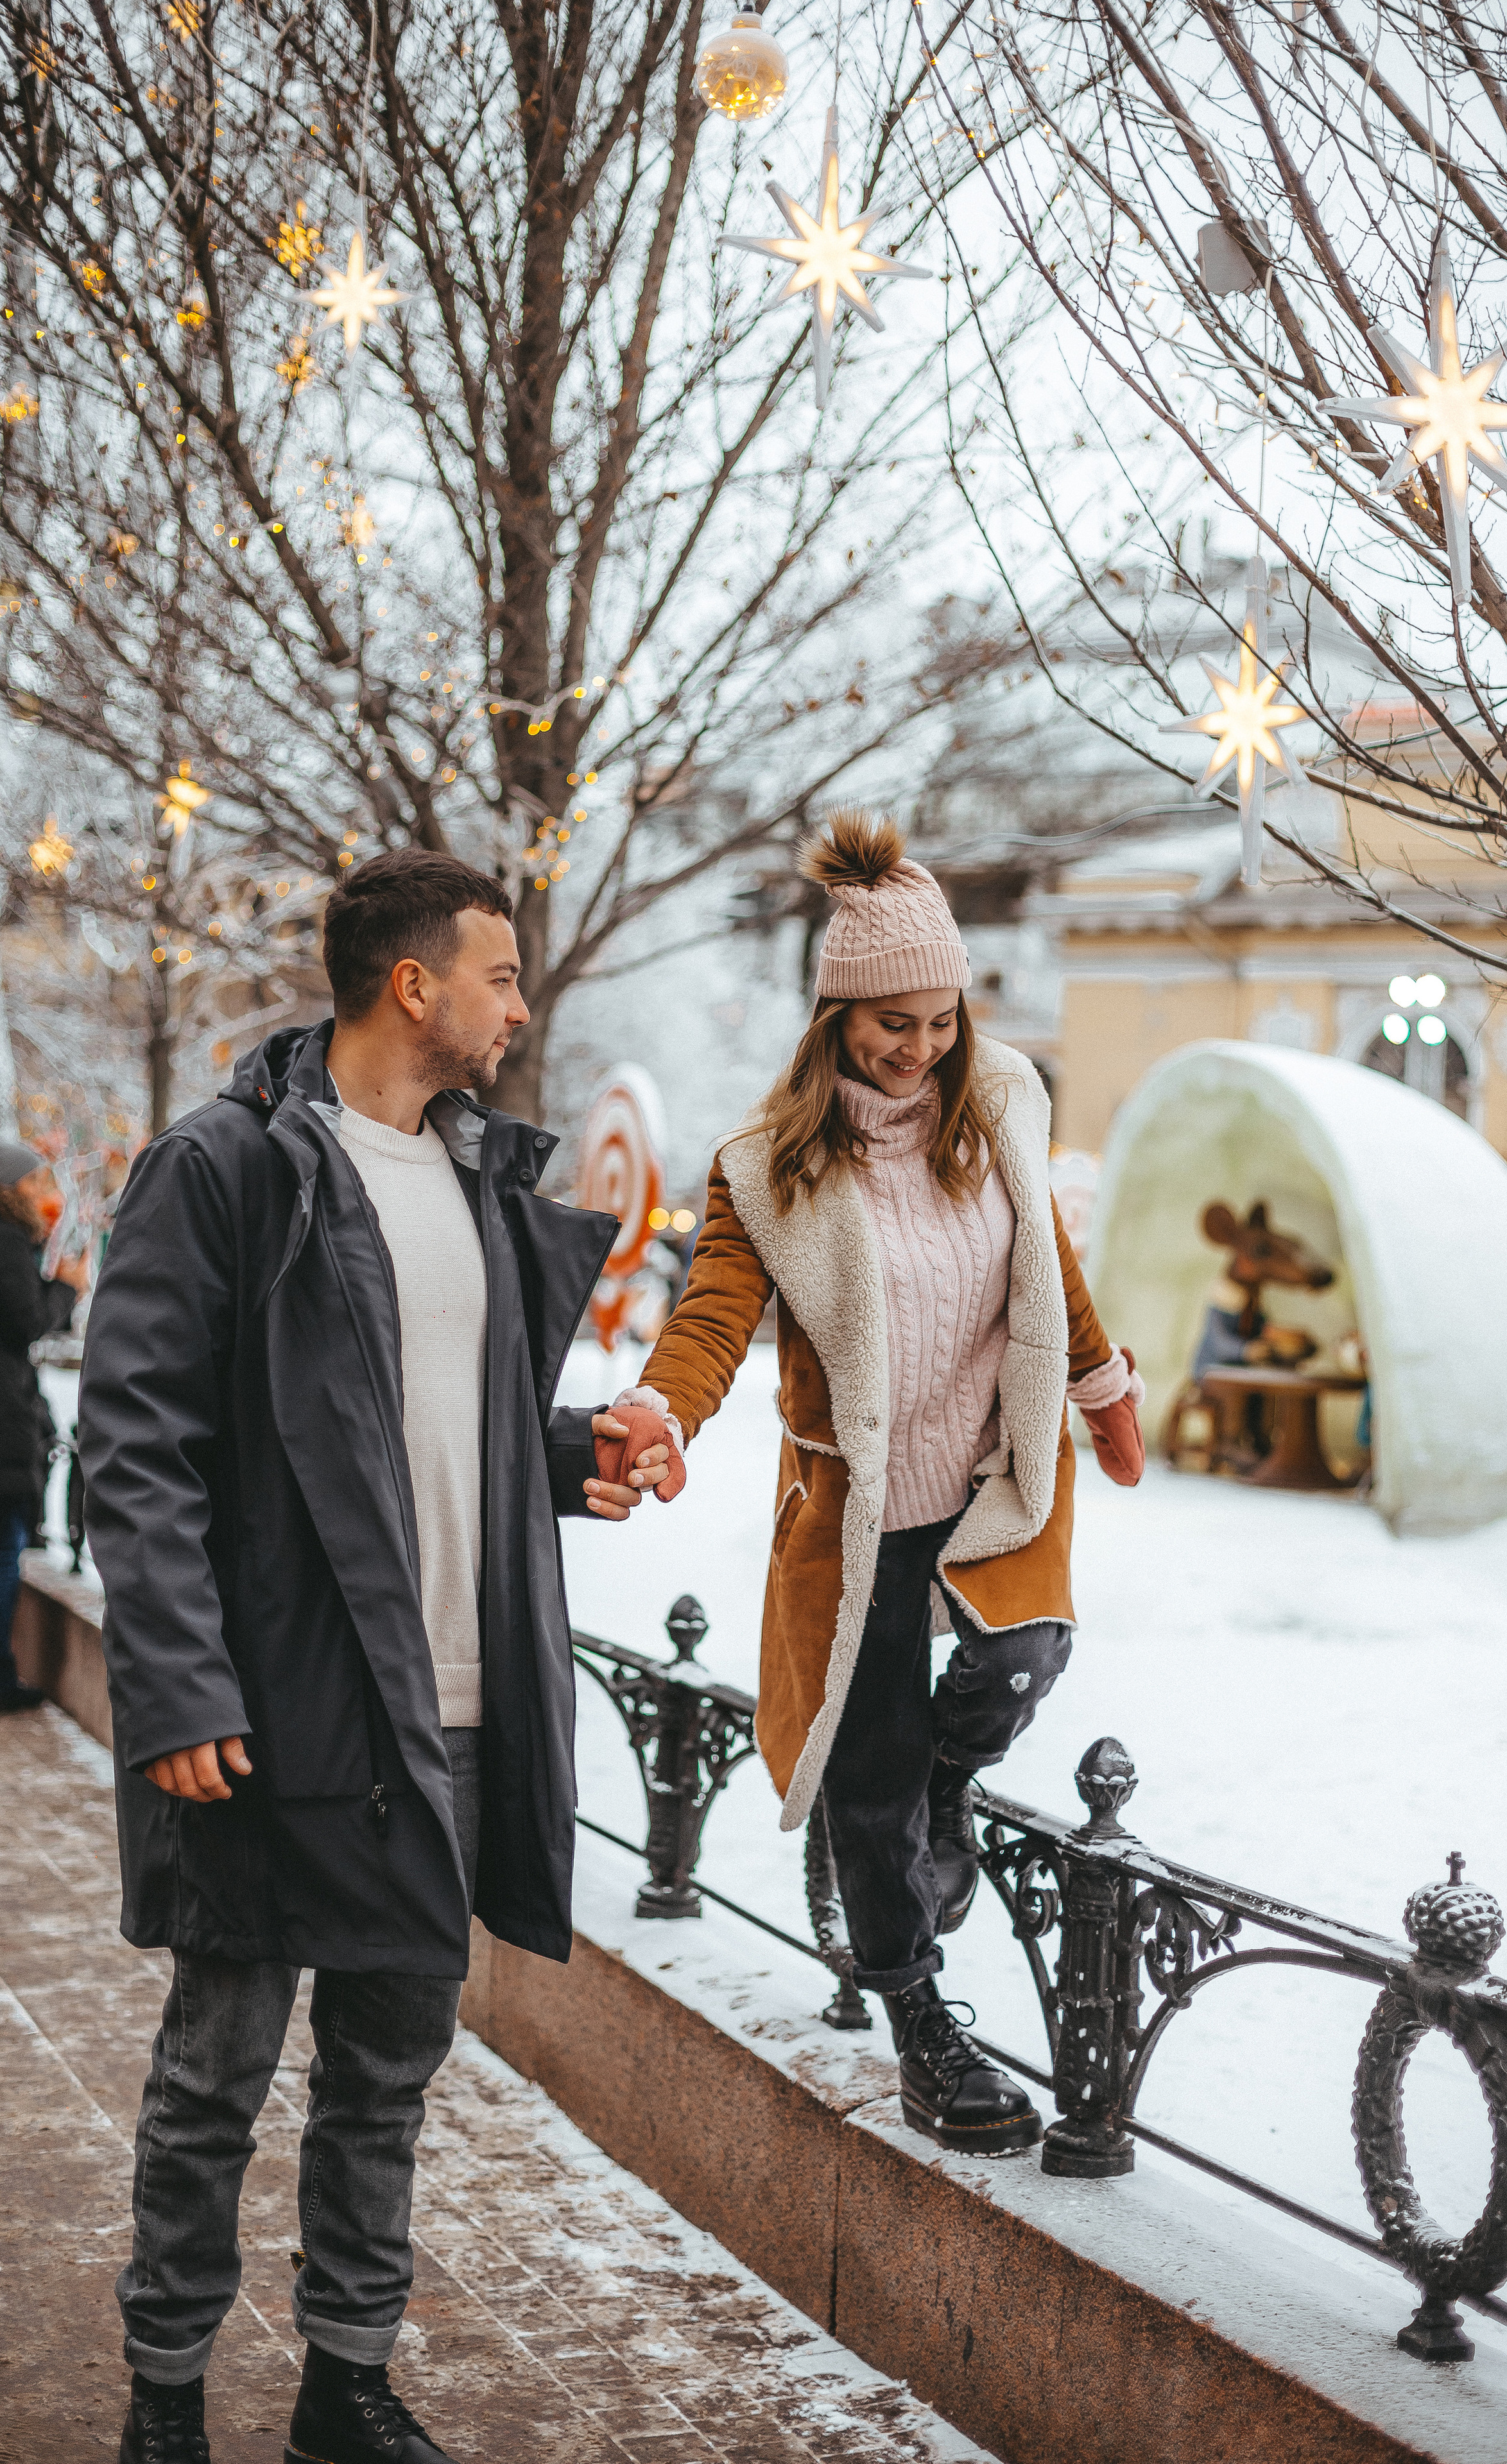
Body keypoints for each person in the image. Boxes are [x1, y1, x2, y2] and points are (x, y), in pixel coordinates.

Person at [78, 850, 675, 2464]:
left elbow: (417, 1424)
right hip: (279, 1707)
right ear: (414, 982)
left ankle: (346, 2383)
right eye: (499, 971)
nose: (518, 1001)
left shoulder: (473, 1180)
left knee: (386, 2077)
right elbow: (138, 1445)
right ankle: (166, 2397)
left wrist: (568, 1451)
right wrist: (181, 1685)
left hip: (452, 1710)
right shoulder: (225, 1169)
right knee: (216, 2076)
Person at [629, 813, 1143, 2157]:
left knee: (1020, 1661)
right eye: (888, 1024)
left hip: (987, 1486)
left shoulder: (1001, 1110)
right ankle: (920, 2023)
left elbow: (1049, 1271)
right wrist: (657, 1405)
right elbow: (709, 1318)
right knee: (866, 1776)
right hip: (855, 1519)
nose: (917, 1047)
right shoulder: (769, 1169)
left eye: (937, 1018)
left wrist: (1099, 1386)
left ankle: (946, 1792)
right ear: (835, 1018)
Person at [0, 1138, 86, 1711]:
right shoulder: (7, 1239)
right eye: (34, 1183)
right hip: (4, 1421)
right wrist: (67, 1287)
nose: (43, 1194)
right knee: (7, 1549)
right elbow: (24, 1322)